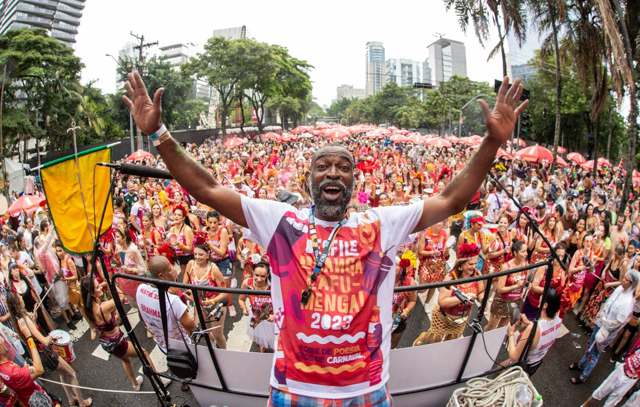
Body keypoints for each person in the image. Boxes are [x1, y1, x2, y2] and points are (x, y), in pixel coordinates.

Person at [124, 71, 527, 403]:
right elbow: (208, 189)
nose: (333, 172)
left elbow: (452, 198)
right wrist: (159, 133)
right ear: (307, 178)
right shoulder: (279, 222)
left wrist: (492, 141)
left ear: (355, 180)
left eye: (343, 167)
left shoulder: (382, 224)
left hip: (365, 391)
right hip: (293, 390)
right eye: (323, 166)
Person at [6, 293, 92, 406]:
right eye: (19, 297)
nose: (22, 297)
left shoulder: (18, 320)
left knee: (62, 373)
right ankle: (82, 403)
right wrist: (51, 336)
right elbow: (44, 340)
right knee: (71, 373)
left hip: (41, 353)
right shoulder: (24, 319)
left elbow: (32, 333)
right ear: (17, 302)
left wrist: (34, 319)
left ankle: (71, 399)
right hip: (45, 352)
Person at [570, 270, 640, 384]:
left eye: (627, 280)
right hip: (600, 323)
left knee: (595, 352)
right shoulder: (619, 289)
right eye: (624, 277)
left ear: (632, 284)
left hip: (607, 331)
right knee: (590, 345)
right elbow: (608, 303)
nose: (623, 280)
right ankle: (581, 364)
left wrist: (604, 323)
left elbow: (618, 323)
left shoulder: (628, 302)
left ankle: (584, 375)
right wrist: (600, 316)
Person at [81, 278, 146, 391]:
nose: (100, 287)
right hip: (116, 342)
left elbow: (102, 323)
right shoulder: (103, 307)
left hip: (107, 341)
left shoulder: (88, 307)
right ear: (90, 293)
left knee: (125, 360)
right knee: (144, 353)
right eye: (97, 287)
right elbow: (121, 296)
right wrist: (110, 284)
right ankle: (159, 380)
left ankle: (135, 384)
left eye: (99, 284)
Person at [413, 243, 485, 345]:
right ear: (460, 266)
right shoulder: (451, 278)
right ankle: (422, 338)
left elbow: (480, 292)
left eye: (475, 263)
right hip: (443, 319)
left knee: (450, 343)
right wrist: (464, 297)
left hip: (461, 321)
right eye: (470, 264)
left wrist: (482, 299)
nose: (474, 267)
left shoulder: (477, 275)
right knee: (433, 342)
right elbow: (442, 302)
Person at [137, 256, 196, 354]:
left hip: (162, 344)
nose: (174, 269)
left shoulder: (141, 289)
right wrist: (194, 305)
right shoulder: (173, 301)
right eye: (170, 268)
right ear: (161, 276)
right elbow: (191, 326)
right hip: (182, 347)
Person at [506, 288, 563, 375]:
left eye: (542, 296)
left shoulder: (534, 328)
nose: (539, 296)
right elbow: (544, 333)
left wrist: (511, 334)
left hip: (522, 366)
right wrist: (529, 323)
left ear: (545, 305)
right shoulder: (558, 319)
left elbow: (514, 357)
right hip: (535, 363)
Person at [183, 244, 227, 349]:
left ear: (208, 255)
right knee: (202, 330)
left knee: (218, 335)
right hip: (199, 305)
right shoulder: (191, 264)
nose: (197, 257)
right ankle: (213, 347)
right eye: (195, 254)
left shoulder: (213, 269)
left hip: (216, 306)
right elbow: (185, 284)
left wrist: (213, 301)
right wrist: (190, 295)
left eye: (201, 254)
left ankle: (224, 353)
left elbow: (225, 292)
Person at [0, 321, 51, 406]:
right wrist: (29, 337)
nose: (3, 340)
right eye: (0, 340)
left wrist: (24, 371)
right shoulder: (11, 372)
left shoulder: (5, 365)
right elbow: (39, 370)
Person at [581, 336, 640, 407]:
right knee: (601, 390)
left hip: (631, 379)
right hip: (622, 369)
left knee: (611, 402)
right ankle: (584, 406)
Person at [487, 240, 528, 330]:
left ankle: (495, 343)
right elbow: (499, 289)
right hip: (501, 302)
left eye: (526, 251)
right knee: (491, 328)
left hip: (514, 301)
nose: (526, 254)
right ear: (515, 253)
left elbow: (524, 282)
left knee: (502, 328)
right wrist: (516, 286)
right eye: (523, 251)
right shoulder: (506, 267)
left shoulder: (526, 265)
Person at [523, 242, 567, 321]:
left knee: (538, 330)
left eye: (562, 256)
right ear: (553, 254)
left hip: (546, 308)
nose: (560, 258)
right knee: (525, 325)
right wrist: (547, 291)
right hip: (534, 303)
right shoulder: (545, 266)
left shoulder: (562, 270)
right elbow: (533, 287)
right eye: (558, 255)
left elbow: (561, 290)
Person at [239, 262, 275, 352]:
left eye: (263, 276)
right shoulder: (247, 283)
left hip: (271, 319)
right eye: (256, 275)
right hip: (256, 318)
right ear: (252, 272)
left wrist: (275, 316)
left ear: (268, 275)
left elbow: (284, 303)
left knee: (270, 344)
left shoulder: (274, 286)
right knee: (260, 342)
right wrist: (244, 309)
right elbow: (241, 299)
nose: (259, 279)